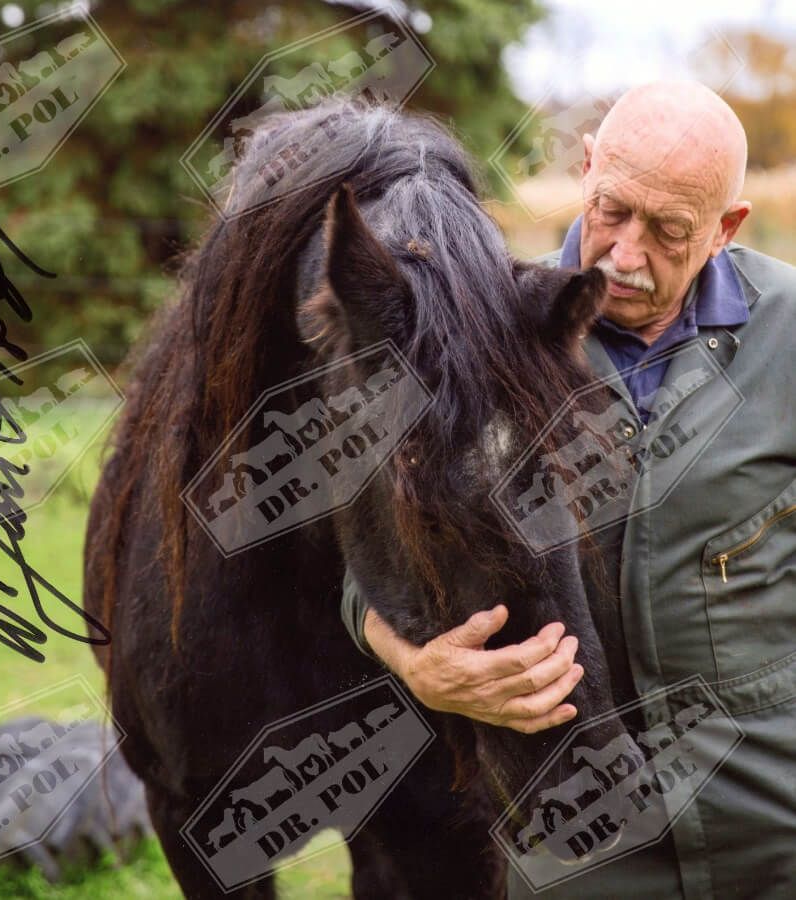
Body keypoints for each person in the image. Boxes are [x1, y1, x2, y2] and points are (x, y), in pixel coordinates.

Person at [341, 81, 796, 898]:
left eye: (668, 232)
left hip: (772, 828)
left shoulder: (791, 334)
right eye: (612, 210)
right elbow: (365, 557)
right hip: (581, 845)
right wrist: (413, 661)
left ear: (726, 229)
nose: (624, 255)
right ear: (586, 168)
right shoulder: (479, 326)